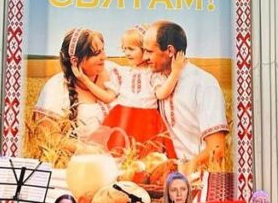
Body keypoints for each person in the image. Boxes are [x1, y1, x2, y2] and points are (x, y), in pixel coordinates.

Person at [142, 21, 228, 173]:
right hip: (166, 173)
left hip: (198, 176)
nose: (144, 57)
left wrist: (184, 171)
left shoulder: (204, 84)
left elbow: (217, 149)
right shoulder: (156, 81)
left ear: (170, 51)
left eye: (149, 52)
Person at [101, 24, 181, 159]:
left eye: (131, 49)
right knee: (116, 153)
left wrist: (175, 73)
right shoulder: (123, 73)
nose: (126, 53)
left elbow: (161, 94)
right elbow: (109, 96)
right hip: (122, 117)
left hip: (145, 121)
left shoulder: (153, 74)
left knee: (145, 156)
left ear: (145, 50)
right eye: (124, 49)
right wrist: (84, 80)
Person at [34, 27, 116, 151]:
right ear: (75, 60)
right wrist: (88, 151)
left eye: (103, 50)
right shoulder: (56, 87)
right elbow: (49, 137)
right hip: (86, 160)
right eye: (96, 53)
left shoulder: (114, 72)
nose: (104, 57)